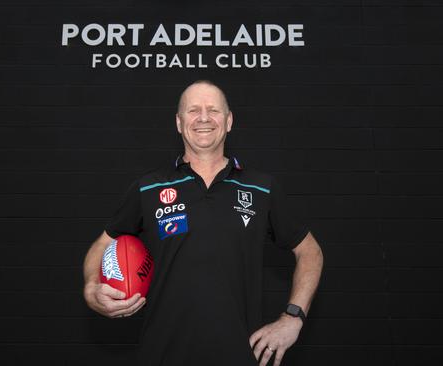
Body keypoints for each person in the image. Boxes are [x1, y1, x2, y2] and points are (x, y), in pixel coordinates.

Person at [83, 80, 324, 366]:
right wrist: (91, 287)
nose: (204, 118)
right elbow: (103, 243)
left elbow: (310, 252)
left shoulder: (262, 188)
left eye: (214, 110)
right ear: (178, 122)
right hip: (161, 355)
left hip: (239, 355)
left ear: (230, 120)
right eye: (193, 110)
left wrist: (293, 318)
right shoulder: (148, 187)